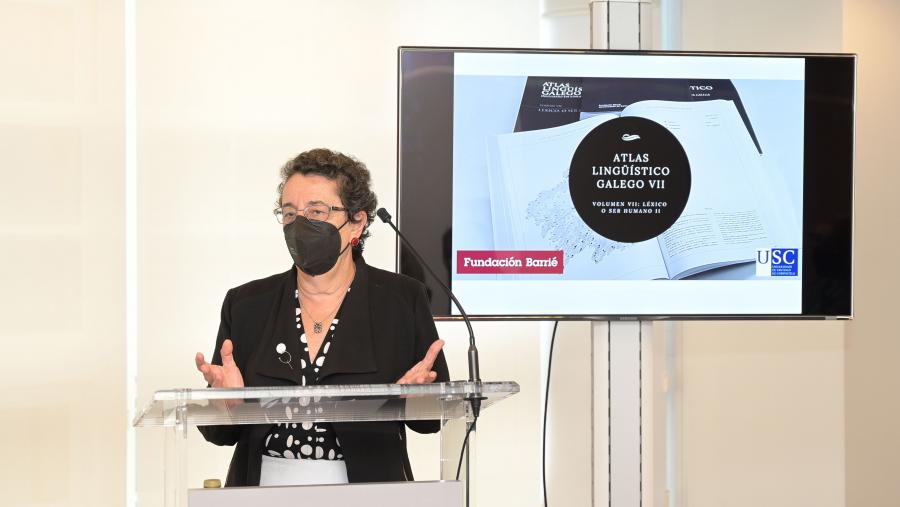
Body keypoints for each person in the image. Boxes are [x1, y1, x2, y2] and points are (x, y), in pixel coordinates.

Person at [194, 148, 449, 487]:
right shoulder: (246, 305)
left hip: (369, 492)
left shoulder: (402, 301)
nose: (299, 224)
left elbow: (433, 421)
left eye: (316, 211)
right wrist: (228, 405)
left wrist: (414, 403)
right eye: (289, 213)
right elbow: (219, 434)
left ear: (357, 220)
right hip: (262, 492)